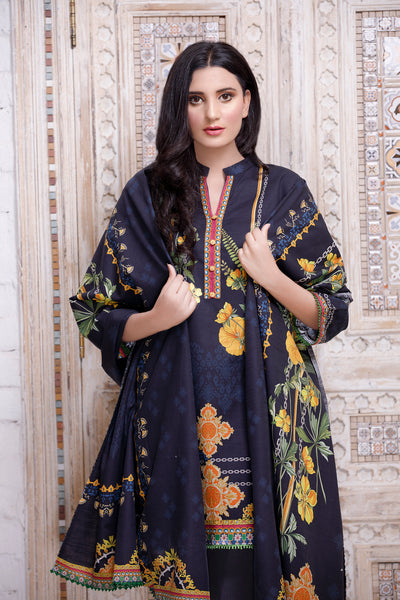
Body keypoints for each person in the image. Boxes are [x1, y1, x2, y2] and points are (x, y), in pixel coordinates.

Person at [52, 41, 352, 600]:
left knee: (264, 572)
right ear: (179, 106)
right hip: (175, 414)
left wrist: (271, 277)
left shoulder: (284, 191)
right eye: (196, 99)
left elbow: (332, 310)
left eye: (225, 96)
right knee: (193, 573)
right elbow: (94, 309)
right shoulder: (148, 193)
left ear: (247, 103)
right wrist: (156, 317)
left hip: (272, 415)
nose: (212, 113)